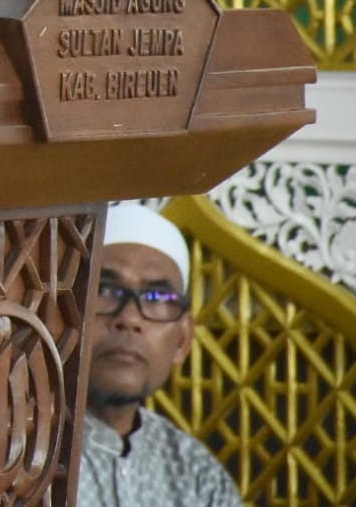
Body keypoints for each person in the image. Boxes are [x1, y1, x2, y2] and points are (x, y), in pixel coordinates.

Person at [78, 203, 243, 507]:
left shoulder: (200, 479)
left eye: (156, 297)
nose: (130, 318)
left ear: (182, 340)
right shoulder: (14, 457)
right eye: (104, 289)